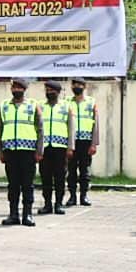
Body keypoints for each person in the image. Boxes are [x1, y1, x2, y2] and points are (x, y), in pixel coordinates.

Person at [0, 78, 43, 226]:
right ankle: (13, 214)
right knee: (13, 184)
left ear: (24, 89)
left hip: (28, 151)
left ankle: (27, 214)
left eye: (19, 88)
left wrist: (39, 150)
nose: (16, 90)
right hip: (10, 150)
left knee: (27, 184)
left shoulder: (33, 105)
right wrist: (0, 151)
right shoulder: (4, 106)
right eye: (14, 88)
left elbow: (40, 129)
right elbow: (0, 129)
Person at [37, 80, 75, 215]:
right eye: (47, 90)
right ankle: (47, 204)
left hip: (60, 147)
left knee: (60, 177)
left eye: (52, 90)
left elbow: (71, 128)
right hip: (44, 147)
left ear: (58, 92)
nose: (49, 93)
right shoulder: (40, 106)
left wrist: (70, 147)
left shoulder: (66, 106)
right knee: (45, 177)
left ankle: (58, 204)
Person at [65, 78, 99, 207]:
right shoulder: (66, 102)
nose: (76, 87)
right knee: (71, 170)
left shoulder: (91, 102)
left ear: (84, 87)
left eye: (79, 85)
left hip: (86, 141)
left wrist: (94, 143)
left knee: (84, 170)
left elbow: (96, 124)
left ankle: (84, 196)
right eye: (74, 84)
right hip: (71, 142)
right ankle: (72, 196)